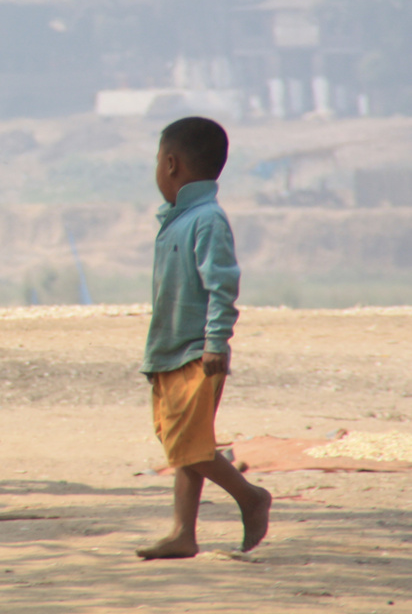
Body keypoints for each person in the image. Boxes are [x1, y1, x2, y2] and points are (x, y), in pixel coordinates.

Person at [136, 117, 271, 559]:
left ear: (171, 164)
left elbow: (222, 285)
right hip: (169, 350)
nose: (157, 169)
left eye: (158, 161)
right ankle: (183, 533)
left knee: (188, 445)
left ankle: (250, 497)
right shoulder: (180, 219)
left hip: (197, 353)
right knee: (186, 443)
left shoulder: (207, 220)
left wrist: (216, 342)